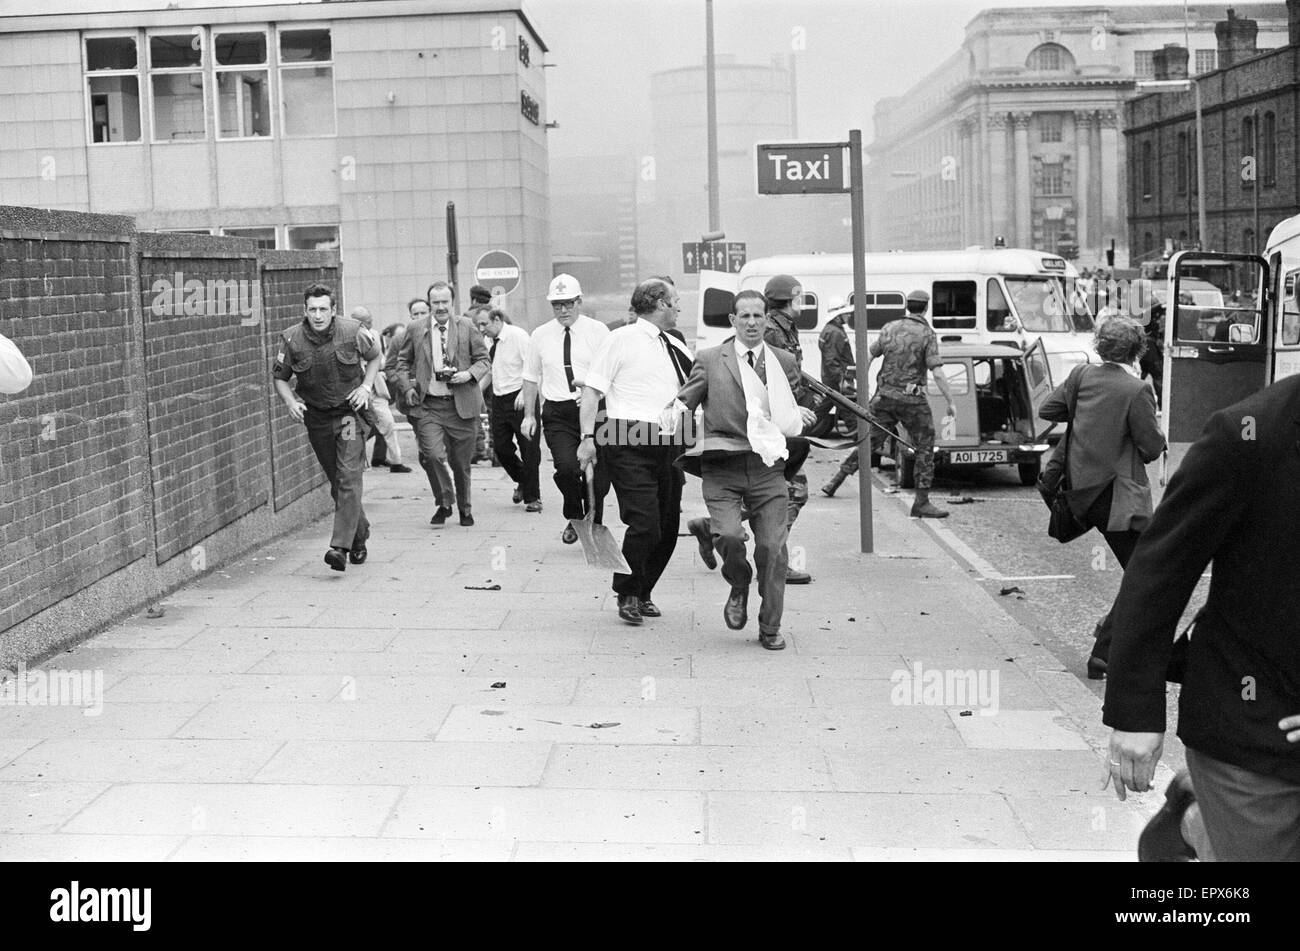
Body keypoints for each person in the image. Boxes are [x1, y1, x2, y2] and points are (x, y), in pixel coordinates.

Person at [1101, 372, 1300, 862]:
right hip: (1257, 725)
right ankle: (1207, 823)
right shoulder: (1251, 434)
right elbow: (1159, 572)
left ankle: (1202, 824)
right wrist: (1135, 714)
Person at [672, 290, 818, 649]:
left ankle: (770, 628)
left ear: (767, 319)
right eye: (745, 316)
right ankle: (739, 583)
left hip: (768, 469)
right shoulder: (709, 359)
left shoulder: (783, 360)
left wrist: (802, 415)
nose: (752, 322)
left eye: (758, 316)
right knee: (730, 538)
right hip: (722, 468)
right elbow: (682, 405)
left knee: (772, 548)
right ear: (733, 321)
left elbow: (795, 412)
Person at [1039, 317, 1166, 680]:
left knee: (1140, 572)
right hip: (1118, 500)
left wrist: (1085, 420)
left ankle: (1109, 639)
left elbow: (1048, 410)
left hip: (1082, 494)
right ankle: (1105, 649)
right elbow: (1152, 447)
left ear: (1099, 345)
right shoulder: (1135, 390)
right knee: (1147, 574)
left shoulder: (1081, 376)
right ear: (1137, 350)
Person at [577, 278, 691, 625]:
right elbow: (593, 393)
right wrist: (586, 438)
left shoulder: (676, 344)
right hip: (627, 442)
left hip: (669, 444)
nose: (678, 308)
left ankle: (644, 590)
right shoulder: (620, 340)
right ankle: (626, 591)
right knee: (644, 522)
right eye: (674, 302)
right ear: (658, 304)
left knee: (668, 527)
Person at [272, 283, 382, 571]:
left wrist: (366, 387)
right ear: (304, 311)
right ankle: (359, 535)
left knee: (348, 476)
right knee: (337, 482)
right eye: (312, 309)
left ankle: (339, 548)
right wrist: (290, 401)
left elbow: (374, 357)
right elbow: (280, 377)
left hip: (348, 414)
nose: (318, 315)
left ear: (334, 310)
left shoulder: (353, 330)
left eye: (323, 309)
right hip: (317, 418)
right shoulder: (291, 339)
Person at [520, 274, 611, 543]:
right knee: (568, 469)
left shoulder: (598, 331)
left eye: (568, 304)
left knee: (600, 478)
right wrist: (528, 415)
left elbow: (611, 371)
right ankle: (574, 515)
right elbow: (530, 376)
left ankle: (594, 523)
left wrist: (596, 392)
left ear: (579, 301)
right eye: (557, 305)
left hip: (596, 410)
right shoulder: (540, 335)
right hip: (559, 412)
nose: (563, 310)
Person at [394, 281, 490, 527]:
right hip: (430, 406)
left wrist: (468, 375)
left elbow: (483, 360)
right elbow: (402, 362)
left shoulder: (466, 326)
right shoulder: (417, 328)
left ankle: (465, 509)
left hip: (462, 405)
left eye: (444, 302)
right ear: (429, 304)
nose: (440, 307)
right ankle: (445, 501)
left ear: (452, 303)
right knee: (432, 455)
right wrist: (406, 387)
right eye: (435, 303)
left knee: (461, 463)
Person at [865, 289, 957, 518]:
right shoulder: (927, 334)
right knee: (925, 446)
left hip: (884, 397)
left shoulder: (889, 327)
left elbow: (868, 356)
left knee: (869, 440)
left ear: (907, 306)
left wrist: (863, 389)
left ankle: (836, 481)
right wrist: (950, 401)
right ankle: (922, 502)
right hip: (912, 401)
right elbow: (936, 372)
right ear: (926, 307)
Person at [477, 306, 541, 511]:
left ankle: (533, 497)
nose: (481, 328)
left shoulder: (518, 336)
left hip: (521, 397)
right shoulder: (488, 341)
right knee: (502, 449)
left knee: (528, 448)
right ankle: (523, 479)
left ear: (497, 320)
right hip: (499, 398)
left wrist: (526, 393)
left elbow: (533, 368)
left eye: (484, 323)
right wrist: (477, 391)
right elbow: (490, 370)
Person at [350, 306, 411, 474]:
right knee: (358, 427)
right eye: (366, 323)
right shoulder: (347, 337)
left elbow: (380, 359)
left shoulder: (374, 334)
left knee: (388, 423)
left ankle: (396, 461)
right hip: (356, 388)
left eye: (370, 322)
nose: (370, 325)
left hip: (376, 388)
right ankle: (360, 461)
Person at [818, 305, 860, 497]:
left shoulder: (831, 330)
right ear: (838, 315)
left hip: (833, 381)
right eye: (846, 313)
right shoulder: (835, 333)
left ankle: (799, 431)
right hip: (837, 382)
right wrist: (842, 382)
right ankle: (859, 440)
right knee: (849, 413)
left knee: (821, 410)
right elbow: (832, 360)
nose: (849, 315)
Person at [465, 284, 495, 464]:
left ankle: (476, 450)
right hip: (494, 372)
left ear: (473, 299)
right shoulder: (495, 314)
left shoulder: (468, 317)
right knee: (493, 414)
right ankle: (493, 450)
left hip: (475, 372)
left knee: (473, 412)